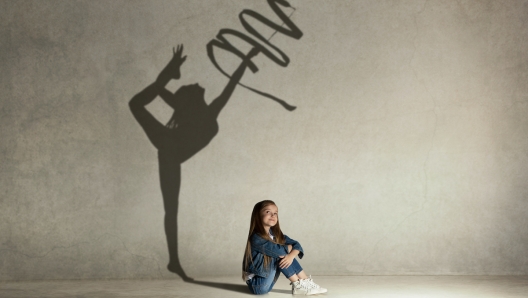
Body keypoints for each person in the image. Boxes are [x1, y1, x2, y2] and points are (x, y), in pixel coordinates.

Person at [129, 45, 258, 280]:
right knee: (136, 103)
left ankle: (173, 262)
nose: (199, 85)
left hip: (171, 149)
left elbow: (231, 85)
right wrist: (170, 70)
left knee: (171, 209)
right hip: (169, 146)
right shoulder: (202, 112)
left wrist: (246, 60)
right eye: (194, 87)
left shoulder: (201, 111)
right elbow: (160, 88)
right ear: (191, 97)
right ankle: (174, 261)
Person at [243, 200, 328, 295]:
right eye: (268, 212)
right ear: (258, 215)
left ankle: (306, 281)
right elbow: (278, 251)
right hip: (257, 285)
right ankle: (297, 284)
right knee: (280, 254)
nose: (273, 215)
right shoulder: (256, 237)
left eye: (275, 213)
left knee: (286, 255)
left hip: (268, 281)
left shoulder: (276, 235)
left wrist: (291, 256)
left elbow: (297, 245)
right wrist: (289, 251)